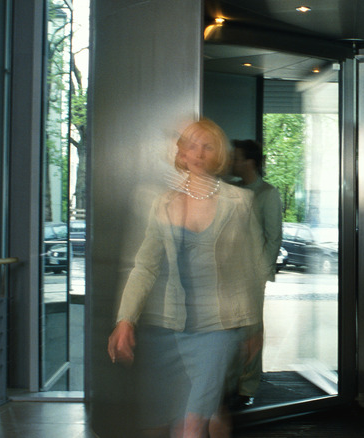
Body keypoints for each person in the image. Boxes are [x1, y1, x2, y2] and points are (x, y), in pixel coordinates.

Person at [107, 118, 266, 438]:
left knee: (190, 426)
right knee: (202, 415)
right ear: (181, 152)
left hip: (219, 327)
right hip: (172, 327)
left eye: (207, 146)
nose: (198, 152)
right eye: (191, 144)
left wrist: (254, 327)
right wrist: (125, 320)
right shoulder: (160, 202)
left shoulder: (238, 202)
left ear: (218, 153)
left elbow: (251, 268)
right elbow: (144, 266)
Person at [229, 139, 283, 408]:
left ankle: (247, 386)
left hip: (251, 276)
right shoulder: (233, 190)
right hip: (229, 274)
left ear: (249, 161)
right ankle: (232, 382)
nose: (232, 162)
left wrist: (260, 274)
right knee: (231, 329)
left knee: (251, 329)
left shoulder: (267, 193)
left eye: (236, 158)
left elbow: (274, 238)